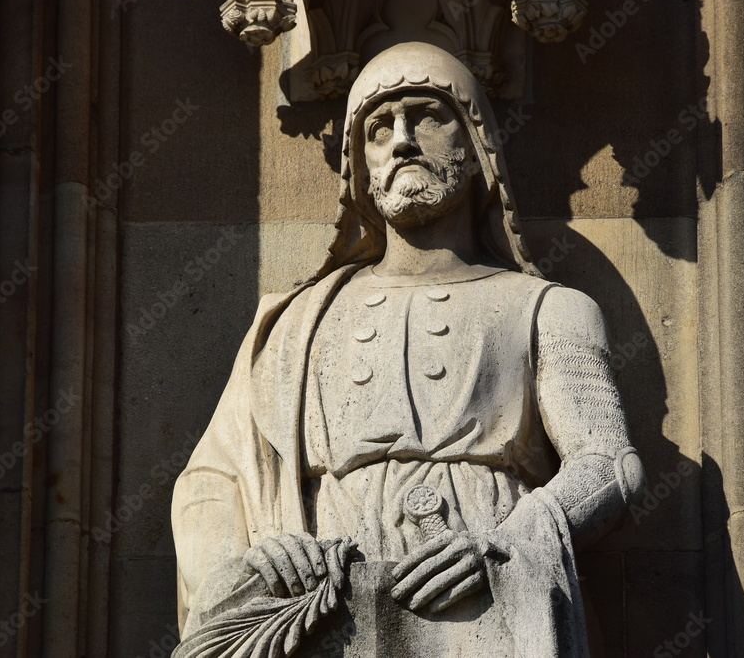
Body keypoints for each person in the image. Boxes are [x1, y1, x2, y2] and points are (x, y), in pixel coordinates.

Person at [171, 42, 645, 658]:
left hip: (482, 598)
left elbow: (607, 464)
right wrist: (254, 560)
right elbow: (211, 480)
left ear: (476, 149)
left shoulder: (548, 307)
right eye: (378, 128)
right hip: (324, 603)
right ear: (360, 168)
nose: (402, 141)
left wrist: (504, 545)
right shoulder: (292, 323)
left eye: (427, 116)